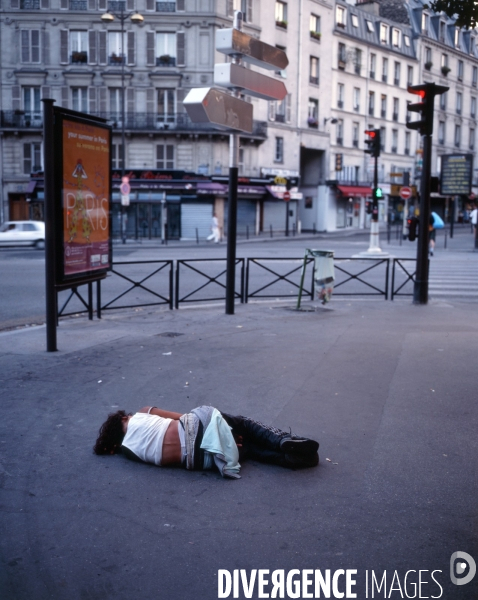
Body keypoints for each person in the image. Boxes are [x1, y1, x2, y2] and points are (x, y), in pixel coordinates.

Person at [93, 406, 319, 478]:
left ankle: (288, 458)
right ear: (124, 418)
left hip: (199, 461)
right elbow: (181, 417)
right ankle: (283, 440)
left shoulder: (130, 452)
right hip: (195, 429)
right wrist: (219, 426)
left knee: (244, 448)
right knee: (242, 423)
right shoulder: (141, 413)